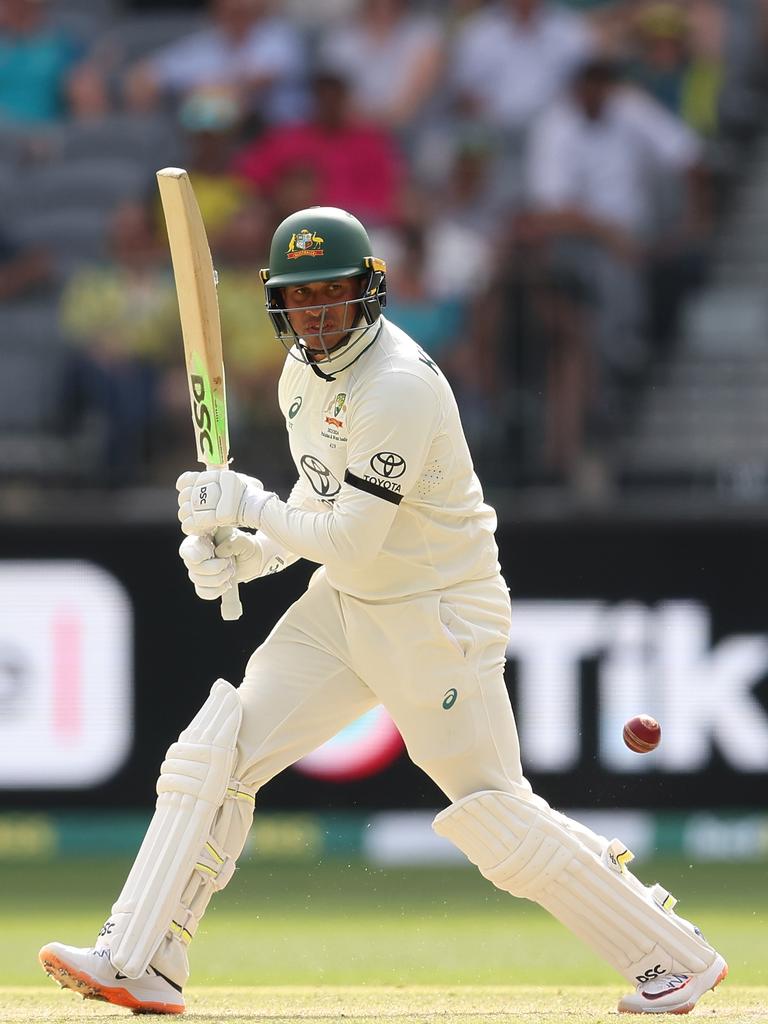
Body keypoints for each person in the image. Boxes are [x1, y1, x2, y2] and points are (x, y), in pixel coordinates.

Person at [39, 207, 727, 1016]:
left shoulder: (397, 385)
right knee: (212, 755)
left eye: (333, 295)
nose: (318, 315)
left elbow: (354, 539)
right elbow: (319, 506)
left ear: (370, 292)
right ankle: (142, 956)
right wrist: (250, 553)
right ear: (278, 304)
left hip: (435, 616)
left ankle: (671, 957)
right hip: (346, 604)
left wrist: (250, 505)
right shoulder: (302, 371)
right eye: (301, 299)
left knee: (492, 815)